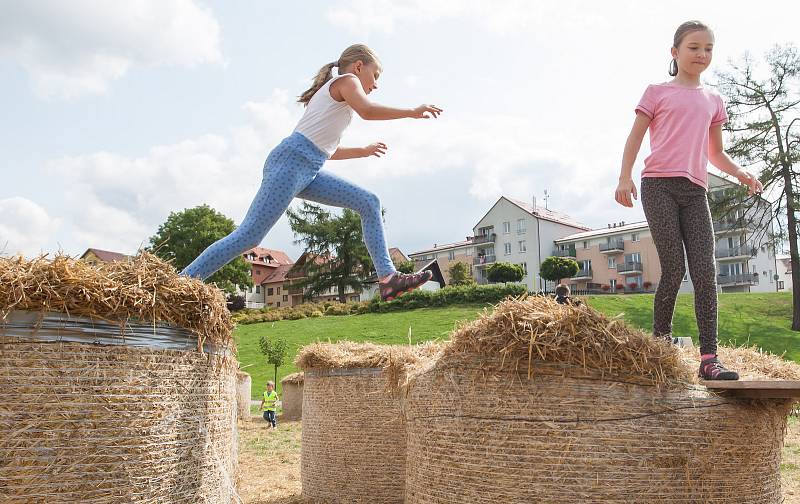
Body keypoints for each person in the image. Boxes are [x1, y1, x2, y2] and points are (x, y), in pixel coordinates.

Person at [181, 44, 441, 301]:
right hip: (291, 162)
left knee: (368, 201)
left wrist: (362, 150)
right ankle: (183, 280)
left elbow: (325, 148)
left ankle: (388, 278)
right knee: (249, 235)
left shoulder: (338, 94)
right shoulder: (348, 80)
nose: (375, 84)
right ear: (359, 67)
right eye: (375, 76)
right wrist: (411, 112)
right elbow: (368, 111)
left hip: (310, 166)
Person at [614, 21, 763, 381]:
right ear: (675, 52)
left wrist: (741, 173)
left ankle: (709, 359)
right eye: (694, 47)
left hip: (696, 191)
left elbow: (716, 153)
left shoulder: (714, 100)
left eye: (708, 48)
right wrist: (624, 177)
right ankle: (660, 347)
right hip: (658, 186)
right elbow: (634, 138)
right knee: (674, 268)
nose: (702, 54)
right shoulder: (656, 92)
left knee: (706, 274)